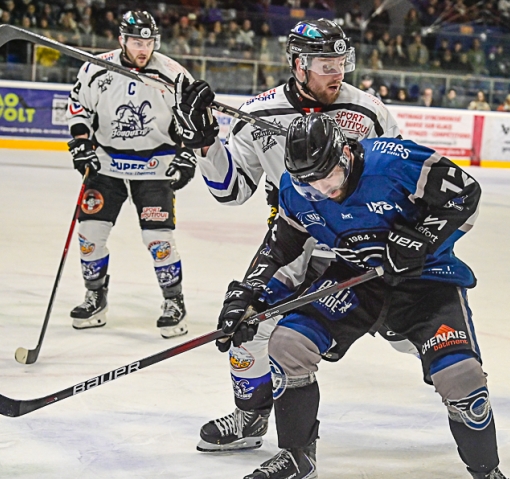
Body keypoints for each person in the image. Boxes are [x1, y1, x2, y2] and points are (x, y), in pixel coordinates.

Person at [214, 114, 510, 479]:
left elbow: (465, 193)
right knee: (287, 344)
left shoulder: (393, 161)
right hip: (356, 280)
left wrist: (422, 238)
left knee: (461, 376)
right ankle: (297, 459)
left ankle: (488, 473)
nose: (323, 191)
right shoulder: (296, 192)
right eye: (310, 185)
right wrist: (248, 294)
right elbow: (279, 246)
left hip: (427, 282)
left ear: (346, 154)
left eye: (328, 178)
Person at [173, 19, 406, 453]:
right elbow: (231, 190)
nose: (337, 73)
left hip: (362, 246)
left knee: (410, 334)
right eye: (326, 65)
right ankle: (250, 417)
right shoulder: (260, 115)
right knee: (247, 323)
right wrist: (206, 144)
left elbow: (399, 178)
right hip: (293, 244)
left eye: (342, 63)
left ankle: (460, 380)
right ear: (299, 65)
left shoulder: (370, 113)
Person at [65, 11, 197, 338]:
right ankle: (95, 297)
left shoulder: (173, 74)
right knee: (89, 235)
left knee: (158, 239)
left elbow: (192, 118)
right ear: (122, 40)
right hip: (106, 164)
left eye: (149, 42)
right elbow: (79, 107)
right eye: (137, 42)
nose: (143, 49)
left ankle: (173, 301)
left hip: (155, 165)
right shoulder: (96, 68)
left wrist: (186, 153)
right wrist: (81, 143)